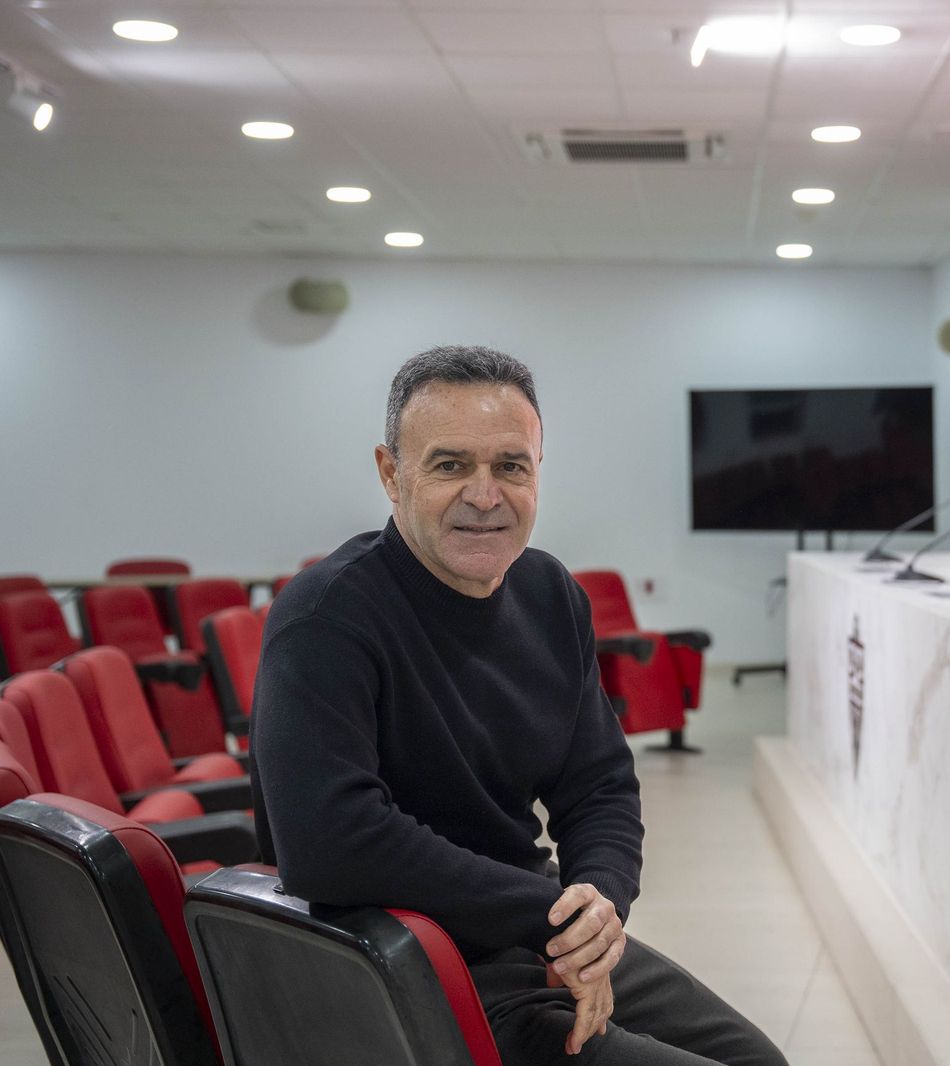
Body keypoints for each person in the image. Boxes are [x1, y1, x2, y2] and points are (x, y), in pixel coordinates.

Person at [251, 345, 788, 1066]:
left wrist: (595, 909)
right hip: (400, 958)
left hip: (535, 933)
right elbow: (331, 843)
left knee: (758, 1059)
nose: (484, 494)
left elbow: (598, 784)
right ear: (390, 473)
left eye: (511, 466)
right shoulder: (325, 617)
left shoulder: (548, 593)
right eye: (450, 465)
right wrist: (550, 917)